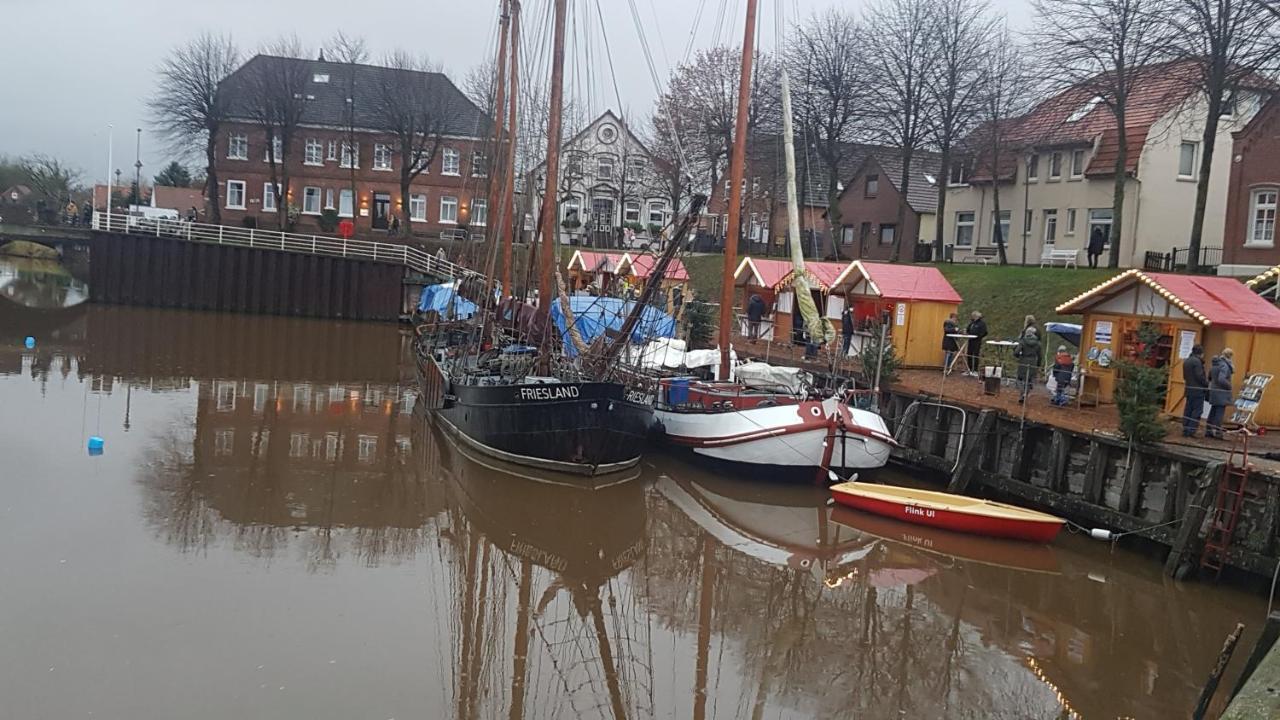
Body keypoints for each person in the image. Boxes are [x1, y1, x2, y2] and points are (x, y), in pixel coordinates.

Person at [1207, 348, 1235, 439]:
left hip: (1214, 391)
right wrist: (1229, 386)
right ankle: (1218, 432)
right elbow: (1221, 379)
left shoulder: (1215, 364)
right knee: (1219, 412)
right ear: (1229, 356)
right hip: (1221, 392)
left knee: (1213, 411)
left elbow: (1210, 376)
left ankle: (1209, 430)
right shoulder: (1225, 366)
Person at [1181, 345, 1209, 437]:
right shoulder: (1197, 362)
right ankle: (1191, 430)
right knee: (1197, 410)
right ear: (1200, 353)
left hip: (1188, 388)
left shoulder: (1187, 361)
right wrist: (1206, 383)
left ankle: (1185, 428)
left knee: (1188, 409)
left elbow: (1185, 376)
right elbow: (1199, 376)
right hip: (1198, 390)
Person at [1015, 324, 1042, 402]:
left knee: (1019, 379)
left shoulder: (1023, 341)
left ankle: (1022, 392)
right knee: (1029, 380)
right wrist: (1038, 365)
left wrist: (1018, 356)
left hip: (1023, 361)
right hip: (1033, 362)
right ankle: (1025, 394)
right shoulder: (1038, 343)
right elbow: (1040, 356)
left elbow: (1016, 352)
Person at [965, 311, 987, 377]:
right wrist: (966, 332)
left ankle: (975, 370)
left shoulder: (982, 323)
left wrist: (978, 337)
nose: (972, 317)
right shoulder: (972, 323)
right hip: (970, 340)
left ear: (976, 316)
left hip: (977, 341)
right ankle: (969, 369)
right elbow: (968, 329)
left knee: (976, 355)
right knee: (969, 354)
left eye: (973, 316)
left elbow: (984, 332)